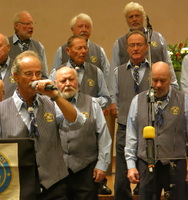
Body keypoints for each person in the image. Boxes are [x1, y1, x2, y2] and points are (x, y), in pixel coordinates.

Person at [0, 50, 85, 200]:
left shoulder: (51, 103)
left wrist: (56, 96)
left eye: (38, 74)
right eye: (29, 74)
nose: (35, 79)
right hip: (16, 187)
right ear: (16, 76)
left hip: (54, 184)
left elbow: (78, 122)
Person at [125, 61, 188, 199]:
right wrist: (131, 165)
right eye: (155, 80)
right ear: (149, 79)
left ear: (170, 79)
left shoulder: (184, 101)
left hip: (175, 163)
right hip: (146, 162)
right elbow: (131, 136)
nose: (158, 85)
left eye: (163, 81)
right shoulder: (137, 101)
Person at [54, 66, 112, 200]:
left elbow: (104, 137)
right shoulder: (48, 105)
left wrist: (102, 165)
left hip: (86, 170)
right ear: (56, 84)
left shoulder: (92, 104)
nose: (67, 84)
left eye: (71, 79)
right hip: (57, 172)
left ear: (78, 82)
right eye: (63, 81)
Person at [110, 30, 151, 199]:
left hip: (149, 128)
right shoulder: (118, 72)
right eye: (132, 45)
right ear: (127, 48)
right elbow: (114, 98)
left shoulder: (155, 71)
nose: (135, 48)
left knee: (147, 178)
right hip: (124, 128)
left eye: (139, 45)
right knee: (121, 178)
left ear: (146, 47)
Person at [111, 2, 178, 88]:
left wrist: (173, 86)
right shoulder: (119, 43)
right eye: (131, 17)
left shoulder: (158, 38)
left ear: (143, 18)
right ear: (127, 20)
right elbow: (113, 72)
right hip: (129, 90)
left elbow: (167, 63)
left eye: (137, 16)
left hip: (158, 89)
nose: (134, 19)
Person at [50, 35, 110, 109]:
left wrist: (89, 102)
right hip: (64, 117)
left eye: (85, 48)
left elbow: (106, 99)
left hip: (90, 117)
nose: (83, 51)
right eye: (79, 48)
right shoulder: (56, 73)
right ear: (68, 51)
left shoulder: (96, 71)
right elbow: (48, 99)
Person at [52, 13, 111, 87]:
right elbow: (55, 78)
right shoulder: (61, 51)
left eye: (87, 27)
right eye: (80, 27)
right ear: (72, 29)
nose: (84, 29)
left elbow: (108, 79)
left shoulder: (99, 51)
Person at [8, 10, 48, 79]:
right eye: (27, 24)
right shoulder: (6, 45)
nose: (31, 27)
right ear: (17, 26)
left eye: (32, 23)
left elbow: (44, 75)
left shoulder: (38, 46)